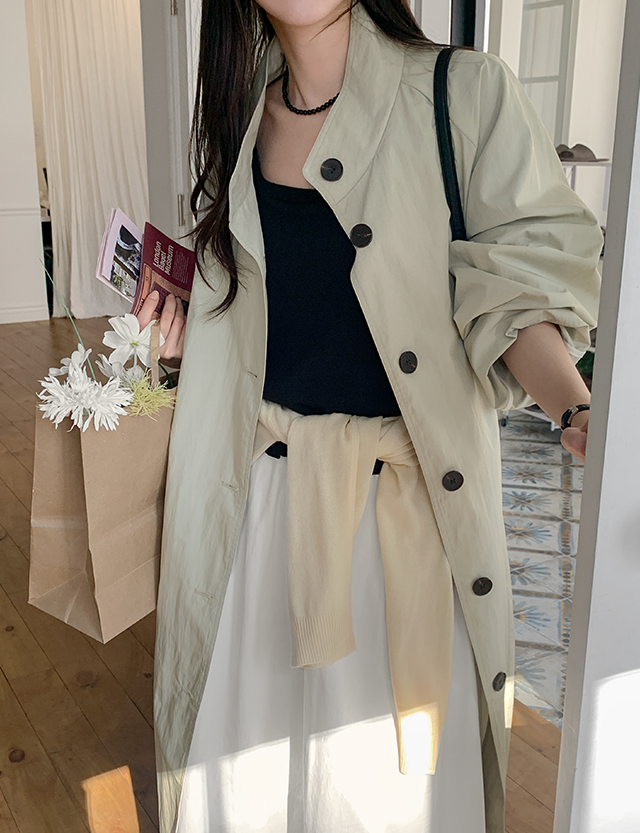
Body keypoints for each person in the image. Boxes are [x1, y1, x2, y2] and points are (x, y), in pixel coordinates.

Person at [136, 1, 602, 831]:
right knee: (246, 790)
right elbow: (254, 328)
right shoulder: (240, 116)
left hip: (401, 534)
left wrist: (575, 405)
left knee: (381, 795)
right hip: (256, 524)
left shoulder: (462, 94)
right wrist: (175, 342)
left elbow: (516, 292)